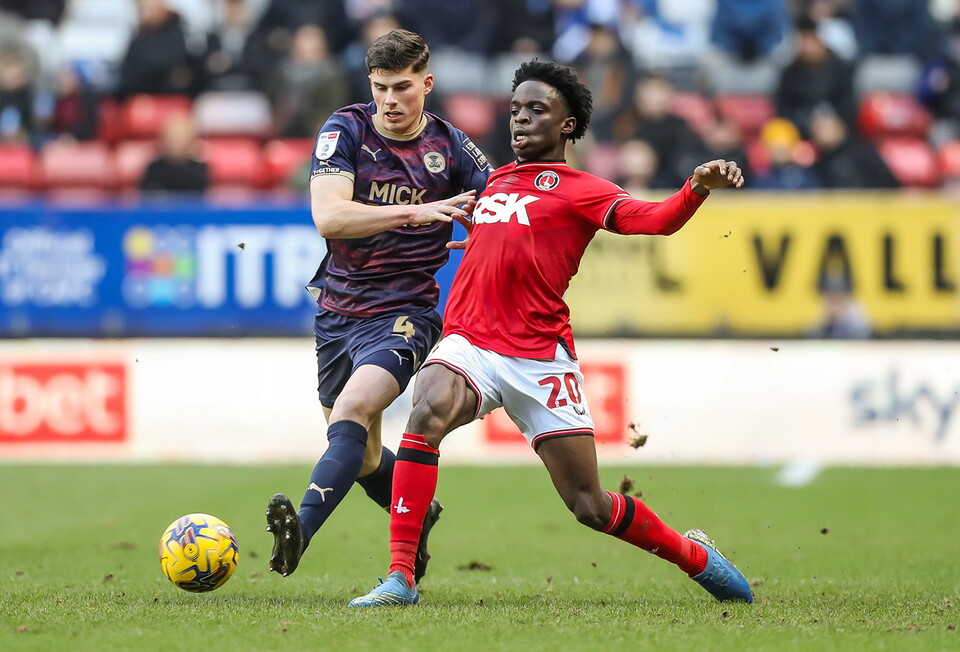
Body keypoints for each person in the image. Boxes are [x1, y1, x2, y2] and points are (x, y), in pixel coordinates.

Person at [348, 59, 753, 608]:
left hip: (539, 357)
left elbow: (652, 221)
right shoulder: (491, 182)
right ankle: (401, 577)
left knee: (589, 505)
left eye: (537, 110)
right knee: (427, 410)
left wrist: (695, 188)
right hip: (471, 339)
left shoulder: (583, 189)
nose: (520, 121)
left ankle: (693, 555)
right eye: (515, 110)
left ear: (566, 125)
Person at [265, 29, 493, 586]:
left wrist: (486, 232)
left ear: (427, 84)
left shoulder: (454, 149)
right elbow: (330, 217)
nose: (390, 100)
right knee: (363, 455)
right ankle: (420, 511)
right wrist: (416, 214)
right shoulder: (345, 129)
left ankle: (300, 532)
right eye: (381, 88)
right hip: (338, 308)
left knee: (353, 409)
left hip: (405, 312)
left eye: (402, 87)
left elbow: (504, 210)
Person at [139, 111, 209, 194]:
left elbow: (202, 201)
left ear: (191, 141)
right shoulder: (154, 169)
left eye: (180, 137)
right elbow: (146, 200)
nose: (175, 143)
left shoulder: (199, 170)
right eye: (172, 137)